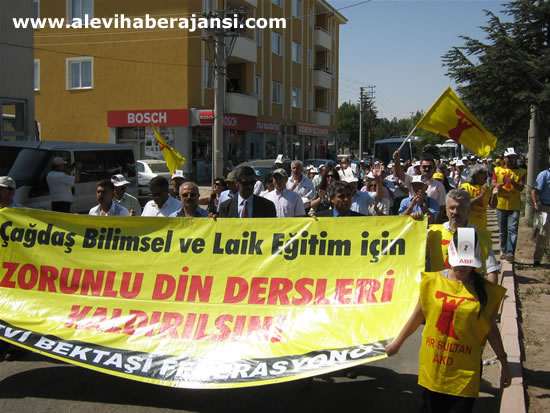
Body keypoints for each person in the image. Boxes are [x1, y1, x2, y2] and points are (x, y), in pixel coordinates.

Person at [386, 228, 511, 412]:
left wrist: (504, 362)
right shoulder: (432, 282)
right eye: (459, 263)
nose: (462, 268)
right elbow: (417, 315)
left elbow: (490, 328)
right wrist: (397, 343)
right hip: (434, 369)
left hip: (464, 373)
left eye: (467, 264)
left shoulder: (486, 292)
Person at [427, 189, 500, 283]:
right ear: (446, 210)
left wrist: (489, 296)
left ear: (468, 210)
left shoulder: (480, 236)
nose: (455, 212)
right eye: (451, 208)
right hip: (439, 292)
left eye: (460, 208)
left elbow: (491, 270)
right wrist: (414, 224)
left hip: (467, 294)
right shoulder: (433, 233)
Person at [491, 147, 526, 262]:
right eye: (509, 157)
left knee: (512, 229)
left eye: (513, 158)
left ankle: (510, 252)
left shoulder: (521, 171)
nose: (511, 160)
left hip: (514, 205)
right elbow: (493, 183)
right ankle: (503, 250)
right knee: (502, 230)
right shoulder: (497, 170)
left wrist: (513, 183)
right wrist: (502, 184)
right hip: (501, 204)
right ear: (504, 158)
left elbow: (521, 187)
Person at [460, 165, 497, 230]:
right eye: (483, 174)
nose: (486, 176)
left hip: (482, 227)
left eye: (486, 174)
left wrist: (494, 194)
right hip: (467, 227)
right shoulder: (465, 187)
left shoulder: (487, 188)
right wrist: (481, 196)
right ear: (476, 175)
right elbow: (464, 204)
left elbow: (493, 206)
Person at [531, 167, 550, 266]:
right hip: (545, 207)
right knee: (543, 234)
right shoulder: (544, 174)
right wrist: (535, 204)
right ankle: (537, 259)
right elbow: (534, 190)